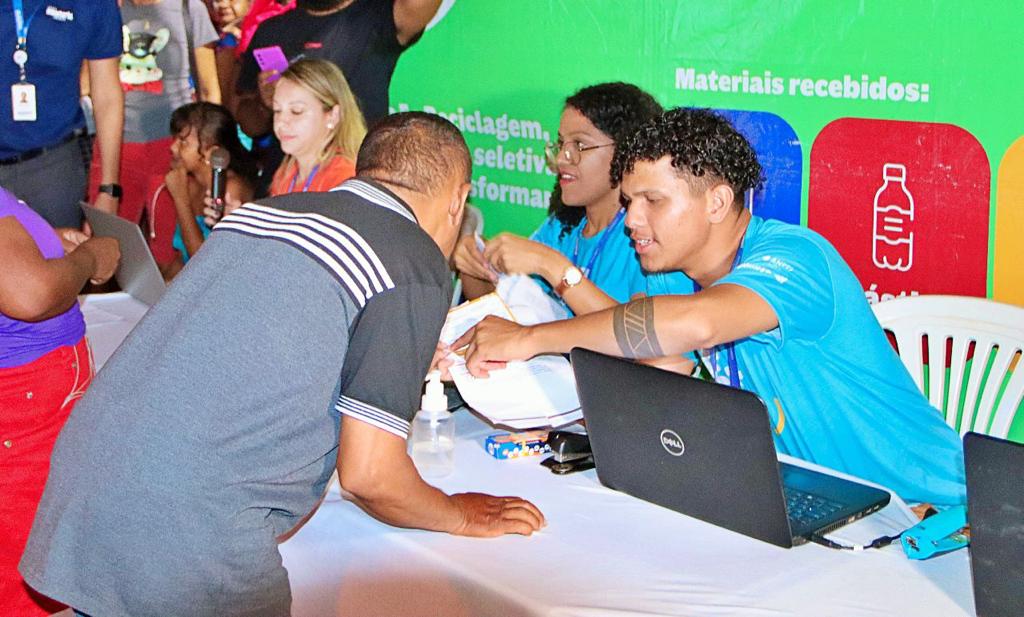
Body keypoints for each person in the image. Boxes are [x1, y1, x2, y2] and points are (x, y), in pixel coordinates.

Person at [20, 112, 544, 617]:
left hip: (88, 482)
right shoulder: (410, 258)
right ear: (458, 200)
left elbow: (250, 347)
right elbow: (370, 475)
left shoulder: (265, 212)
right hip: (189, 526)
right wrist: (459, 514)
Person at [457, 108, 966, 507]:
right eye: (629, 201)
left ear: (717, 202)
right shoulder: (675, 272)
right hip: (809, 502)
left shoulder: (796, 257)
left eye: (653, 201)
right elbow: (654, 363)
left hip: (927, 514)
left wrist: (529, 339)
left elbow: (696, 325)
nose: (631, 220)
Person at [0, 187, 120, 617]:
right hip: (25, 406)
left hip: (25, 399)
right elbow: (30, 295)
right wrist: (89, 260)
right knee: (32, 567)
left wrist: (44, 242)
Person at [454, 82, 664, 316]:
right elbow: (496, 304)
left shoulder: (645, 236)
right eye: (562, 143)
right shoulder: (563, 226)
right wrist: (475, 265)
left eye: (580, 145)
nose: (562, 158)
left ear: (627, 151)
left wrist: (551, 265)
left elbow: (641, 330)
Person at [235, 0, 441, 175]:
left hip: (354, 185)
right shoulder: (271, 31)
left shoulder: (379, 15)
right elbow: (249, 126)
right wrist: (264, 103)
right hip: (285, 188)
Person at [88, 0, 221, 230]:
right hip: (116, 147)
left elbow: (210, 89)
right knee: (109, 237)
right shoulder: (105, 8)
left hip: (173, 147)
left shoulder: (190, 8)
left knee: (169, 241)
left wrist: (207, 151)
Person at [0, 0, 123, 228]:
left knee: (59, 248)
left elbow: (107, 95)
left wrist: (109, 189)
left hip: (54, 169)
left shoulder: (93, 4)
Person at [156, 102, 258, 278]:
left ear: (212, 153)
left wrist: (180, 199)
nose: (173, 147)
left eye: (183, 142)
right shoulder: (192, 184)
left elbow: (205, 265)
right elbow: (182, 256)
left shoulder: (229, 191)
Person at [268, 58, 365, 195]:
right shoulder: (285, 174)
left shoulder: (346, 178)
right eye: (277, 110)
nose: (281, 121)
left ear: (333, 115)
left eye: (296, 111)